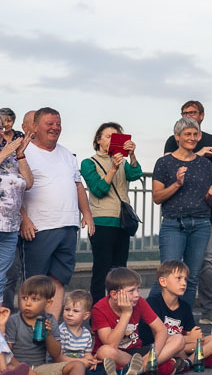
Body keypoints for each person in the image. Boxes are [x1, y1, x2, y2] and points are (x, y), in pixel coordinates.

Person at [163, 101, 212, 324]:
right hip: (177, 212)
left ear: (202, 115)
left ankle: (207, 310)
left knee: (206, 262)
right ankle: (169, 312)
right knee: (173, 265)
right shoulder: (172, 140)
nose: (189, 116)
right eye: (185, 113)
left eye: (192, 113)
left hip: (205, 211)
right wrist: (200, 153)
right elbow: (168, 164)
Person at [21, 108, 93, 316]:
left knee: (59, 280)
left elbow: (78, 185)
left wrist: (87, 213)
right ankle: (30, 327)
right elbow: (14, 189)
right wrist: (23, 219)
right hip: (38, 227)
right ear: (35, 126)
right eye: (49, 124)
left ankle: (50, 328)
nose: (55, 128)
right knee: (34, 283)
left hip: (68, 226)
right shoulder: (24, 152)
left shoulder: (67, 154)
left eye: (58, 124)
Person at [151, 117, 212, 308]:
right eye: (187, 134)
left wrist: (210, 194)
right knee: (168, 275)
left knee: (191, 278)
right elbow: (157, 197)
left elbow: (205, 200)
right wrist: (177, 184)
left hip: (201, 224)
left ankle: (183, 320)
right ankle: (153, 318)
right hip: (174, 224)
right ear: (177, 136)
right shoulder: (164, 163)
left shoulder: (205, 164)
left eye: (195, 134)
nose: (192, 138)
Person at [81, 122, 144, 304]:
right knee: (102, 270)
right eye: (108, 136)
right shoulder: (89, 163)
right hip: (101, 222)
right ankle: (98, 310)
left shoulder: (122, 161)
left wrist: (131, 155)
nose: (112, 140)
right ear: (98, 140)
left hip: (122, 222)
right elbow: (98, 189)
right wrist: (113, 169)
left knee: (120, 271)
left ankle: (118, 308)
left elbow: (135, 174)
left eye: (116, 137)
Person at [92, 268, 183, 375]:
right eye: (131, 291)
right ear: (114, 294)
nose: (136, 294)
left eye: (138, 289)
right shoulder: (99, 309)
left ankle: (140, 368)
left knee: (178, 339)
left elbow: (161, 329)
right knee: (105, 351)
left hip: (137, 353)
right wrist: (126, 314)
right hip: (117, 354)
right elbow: (111, 345)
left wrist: (152, 356)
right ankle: (146, 368)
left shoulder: (139, 301)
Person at [139, 261, 212, 371]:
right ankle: (198, 359)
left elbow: (193, 335)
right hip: (156, 347)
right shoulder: (153, 303)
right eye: (179, 278)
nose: (184, 283)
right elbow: (157, 336)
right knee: (178, 344)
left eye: (185, 279)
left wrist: (195, 337)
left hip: (180, 346)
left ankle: (187, 363)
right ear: (163, 282)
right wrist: (188, 338)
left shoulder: (185, 307)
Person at [6, 275, 80, 375]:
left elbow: (55, 354)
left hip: (40, 367)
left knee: (77, 365)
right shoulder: (13, 320)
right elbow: (6, 353)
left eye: (35, 299)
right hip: (17, 367)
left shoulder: (49, 320)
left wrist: (48, 335)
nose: (28, 303)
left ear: (48, 303)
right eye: (24, 298)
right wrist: (26, 370)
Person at [0, 123, 31, 305]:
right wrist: (5, 153)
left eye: (1, 128)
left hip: (10, 226)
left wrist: (19, 154)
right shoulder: (5, 152)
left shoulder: (11, 155)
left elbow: (28, 183)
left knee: (2, 278)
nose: (2, 131)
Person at [56, 289, 96, 371]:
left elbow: (87, 354)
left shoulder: (86, 334)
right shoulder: (61, 331)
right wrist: (80, 361)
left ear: (85, 316)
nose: (70, 314)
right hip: (61, 367)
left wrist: (91, 361)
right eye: (67, 309)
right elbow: (58, 358)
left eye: (75, 311)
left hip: (80, 366)